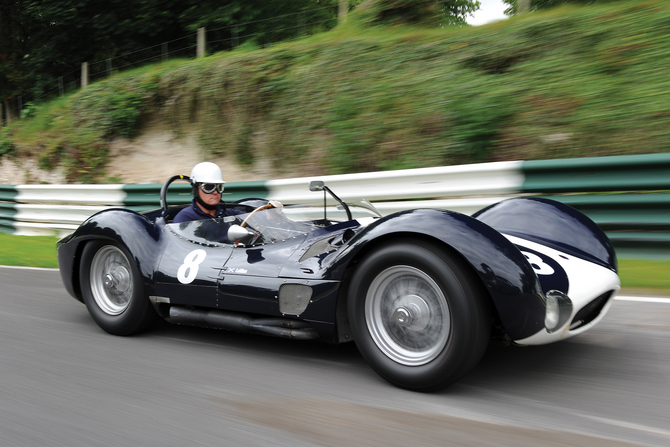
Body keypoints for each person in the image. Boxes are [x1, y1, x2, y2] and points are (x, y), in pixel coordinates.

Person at [173, 162, 280, 223]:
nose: (215, 192)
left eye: (219, 187)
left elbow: (253, 219)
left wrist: (270, 214)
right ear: (196, 189)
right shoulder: (185, 218)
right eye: (209, 187)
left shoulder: (228, 213)